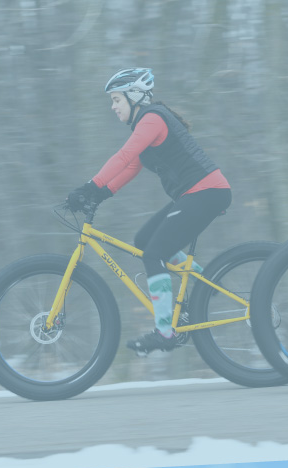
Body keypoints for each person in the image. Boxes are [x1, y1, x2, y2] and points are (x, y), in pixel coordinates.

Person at [64, 68, 232, 355]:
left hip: (205, 191)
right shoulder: (146, 126)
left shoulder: (152, 118)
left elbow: (124, 156)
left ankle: (165, 333)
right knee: (144, 242)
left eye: (117, 100)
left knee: (155, 253)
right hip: (197, 194)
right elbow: (129, 168)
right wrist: (99, 195)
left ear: (134, 96)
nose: (113, 107)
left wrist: (90, 186)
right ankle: (208, 283)